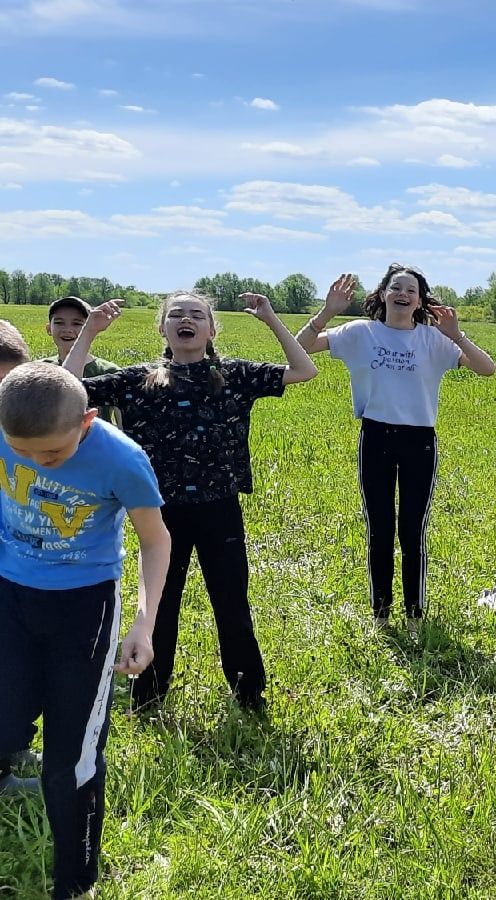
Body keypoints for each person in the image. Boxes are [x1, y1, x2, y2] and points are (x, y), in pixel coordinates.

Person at [64, 292, 317, 711]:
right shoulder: (138, 379)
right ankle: (148, 695)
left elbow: (303, 370)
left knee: (231, 602)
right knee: (159, 605)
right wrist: (88, 332)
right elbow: (68, 393)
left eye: (197, 315)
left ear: (211, 329)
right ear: (163, 328)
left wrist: (271, 319)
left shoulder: (234, 373)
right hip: (158, 513)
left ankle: (248, 693)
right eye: (176, 314)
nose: (186, 320)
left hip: (220, 508)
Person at [0, 362, 170, 900]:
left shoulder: (122, 459)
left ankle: (74, 883)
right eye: (19, 451)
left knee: (68, 761)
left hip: (84, 609)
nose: (33, 462)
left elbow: (155, 540)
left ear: (88, 421)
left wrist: (145, 623)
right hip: (10, 597)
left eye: (50, 454)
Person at [296, 266, 495, 633]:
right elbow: (302, 347)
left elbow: (487, 369)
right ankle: (381, 615)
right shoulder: (360, 333)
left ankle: (415, 615)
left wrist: (457, 335)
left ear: (420, 300)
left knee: (412, 531)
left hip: (419, 441)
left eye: (412, 290)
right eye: (396, 287)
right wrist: (327, 312)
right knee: (379, 528)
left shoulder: (434, 340)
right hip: (376, 437)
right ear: (383, 294)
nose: (403, 294)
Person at [42, 296, 120, 377]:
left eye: (77, 323)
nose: (68, 330)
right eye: (59, 322)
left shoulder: (109, 373)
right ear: (48, 329)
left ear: (91, 328)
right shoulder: (39, 370)